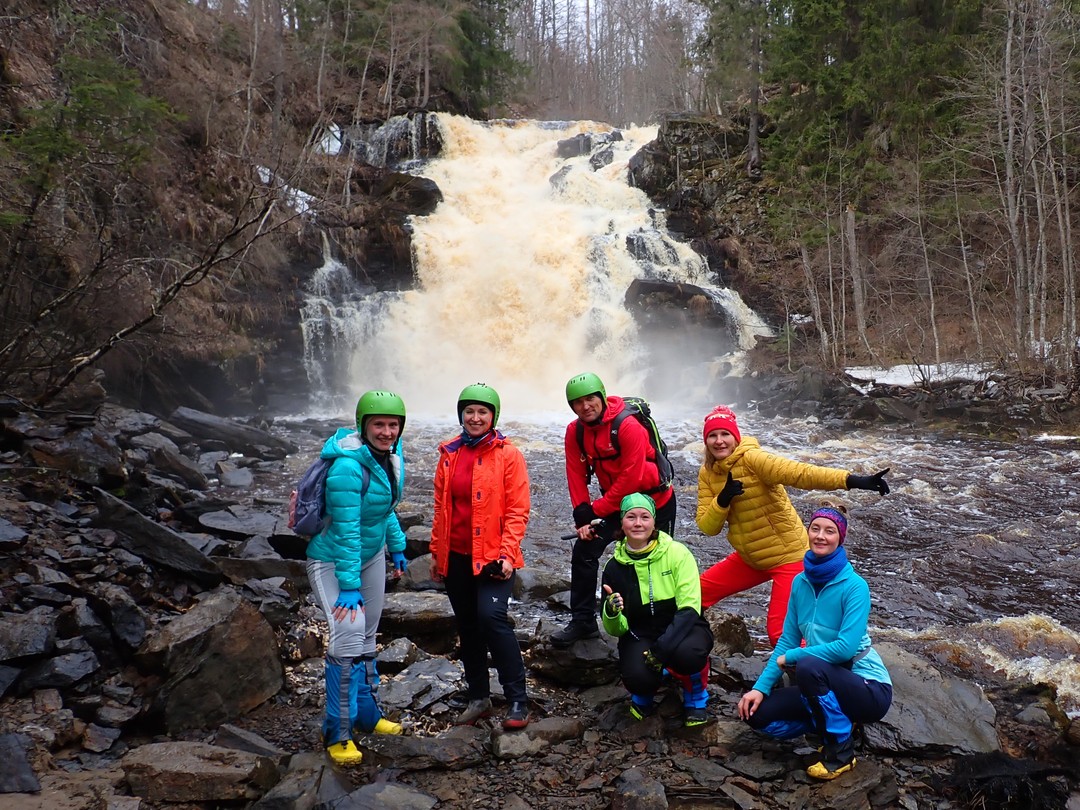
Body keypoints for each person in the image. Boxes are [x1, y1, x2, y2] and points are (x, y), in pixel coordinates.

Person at [696, 405, 889, 646]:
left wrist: (853, 480)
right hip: (750, 557)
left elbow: (801, 473)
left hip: (787, 557)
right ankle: (684, 653)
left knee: (780, 635)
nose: (719, 441)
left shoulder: (754, 460)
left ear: (736, 437)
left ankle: (817, 670)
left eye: (725, 434)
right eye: (712, 436)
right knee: (694, 595)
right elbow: (707, 527)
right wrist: (722, 500)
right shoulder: (707, 473)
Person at [738, 502, 892, 780]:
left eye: (829, 531)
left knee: (808, 664)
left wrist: (794, 658)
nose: (821, 536)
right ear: (807, 532)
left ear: (840, 538)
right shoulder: (799, 582)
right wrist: (759, 689)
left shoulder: (855, 587)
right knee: (757, 715)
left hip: (868, 687)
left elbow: (845, 647)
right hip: (823, 681)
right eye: (815, 528)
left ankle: (841, 751)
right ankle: (828, 724)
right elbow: (787, 640)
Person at [306, 390, 409, 765]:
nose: (386, 432)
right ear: (363, 426)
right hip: (333, 562)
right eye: (378, 424)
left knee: (368, 634)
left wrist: (397, 546)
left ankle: (367, 715)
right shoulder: (347, 467)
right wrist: (349, 585)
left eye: (392, 425)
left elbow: (385, 511)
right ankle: (338, 731)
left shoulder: (392, 458)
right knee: (347, 635)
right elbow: (347, 529)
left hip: (369, 557)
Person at [429, 383, 532, 730]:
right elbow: (441, 509)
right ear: (461, 415)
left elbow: (518, 510)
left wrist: (508, 553)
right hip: (455, 555)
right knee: (468, 626)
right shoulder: (450, 453)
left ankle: (517, 698)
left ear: (493, 417)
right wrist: (435, 554)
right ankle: (479, 697)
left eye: (482, 412)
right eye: (469, 411)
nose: (475, 418)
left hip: (492, 558)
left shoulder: (508, 455)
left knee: (492, 619)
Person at [554, 372, 677, 646]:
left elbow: (630, 478)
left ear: (601, 396)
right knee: (585, 550)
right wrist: (582, 515)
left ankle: (663, 626)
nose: (585, 406)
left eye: (590, 399)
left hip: (656, 502)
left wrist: (595, 508)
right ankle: (583, 621)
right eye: (577, 402)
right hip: (615, 502)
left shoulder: (627, 425)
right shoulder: (575, 432)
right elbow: (575, 473)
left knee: (659, 560)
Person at [601, 493, 714, 727]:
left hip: (683, 627)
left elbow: (690, 607)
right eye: (631, 517)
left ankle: (696, 697)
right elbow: (616, 629)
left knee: (688, 654)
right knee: (636, 676)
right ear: (622, 522)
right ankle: (646, 691)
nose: (638, 523)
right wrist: (611, 612)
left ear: (654, 522)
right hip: (641, 632)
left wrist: (661, 650)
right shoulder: (614, 567)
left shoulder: (677, 553)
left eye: (644, 517)